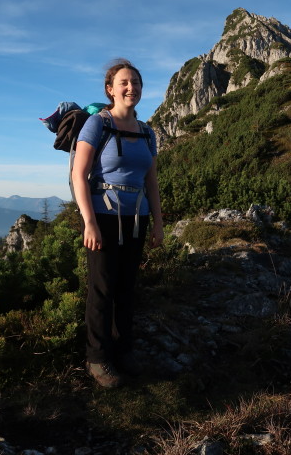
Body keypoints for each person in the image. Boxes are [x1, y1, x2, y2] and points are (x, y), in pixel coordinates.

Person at [72, 59, 164, 388]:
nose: (131, 88)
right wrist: (89, 223)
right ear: (110, 89)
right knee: (102, 289)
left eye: (136, 82)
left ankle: (124, 350)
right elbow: (79, 175)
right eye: (124, 82)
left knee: (126, 287)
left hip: (136, 218)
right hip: (104, 218)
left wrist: (158, 223)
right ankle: (97, 359)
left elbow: (150, 181)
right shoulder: (98, 124)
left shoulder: (147, 132)